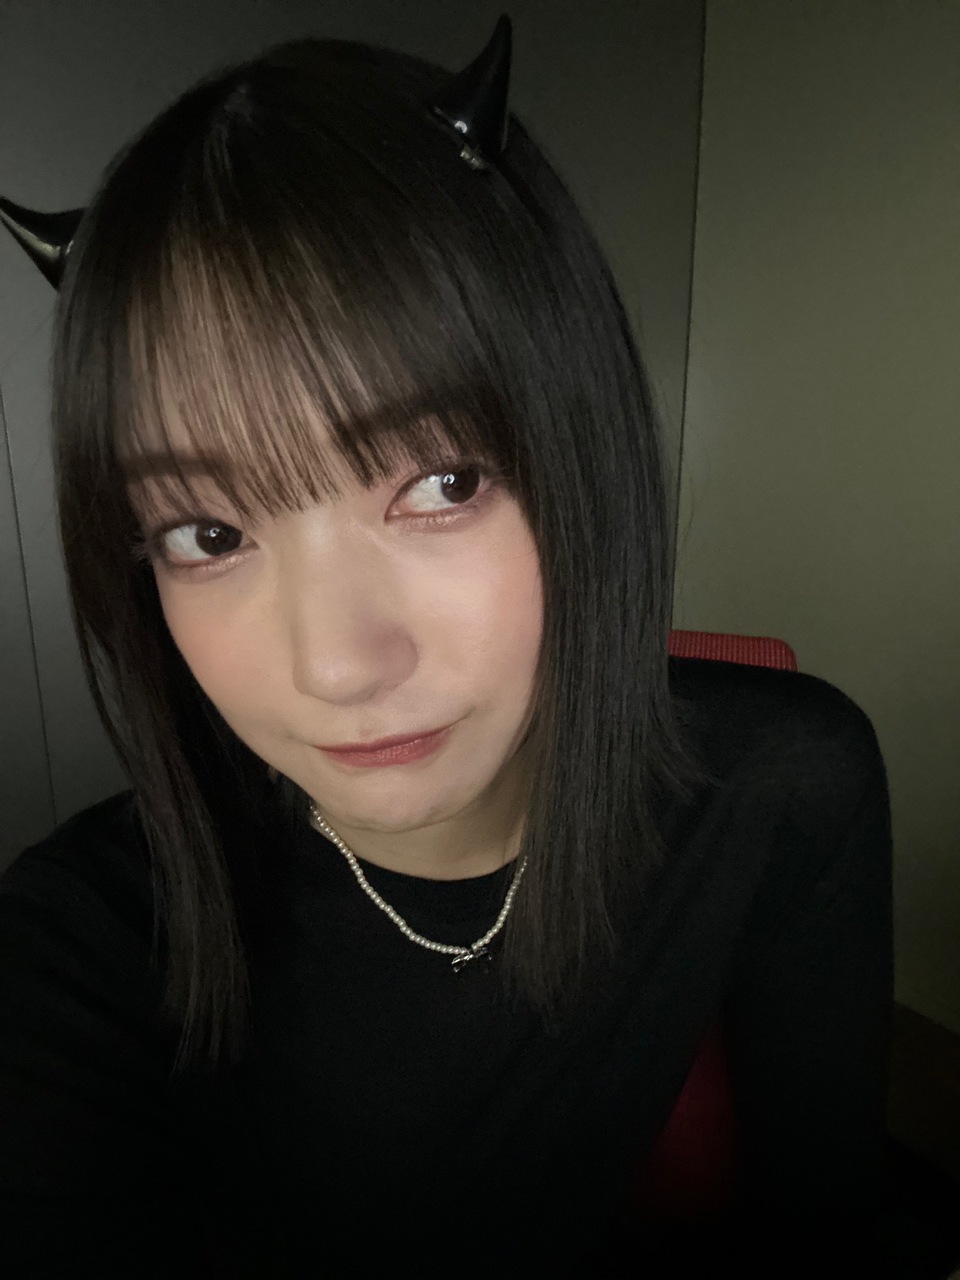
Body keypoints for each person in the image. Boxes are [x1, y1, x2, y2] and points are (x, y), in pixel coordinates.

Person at [0, 15, 944, 1280]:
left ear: (579, 455)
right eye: (208, 531)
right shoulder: (78, 953)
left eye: (442, 482)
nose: (340, 663)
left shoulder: (778, 786)